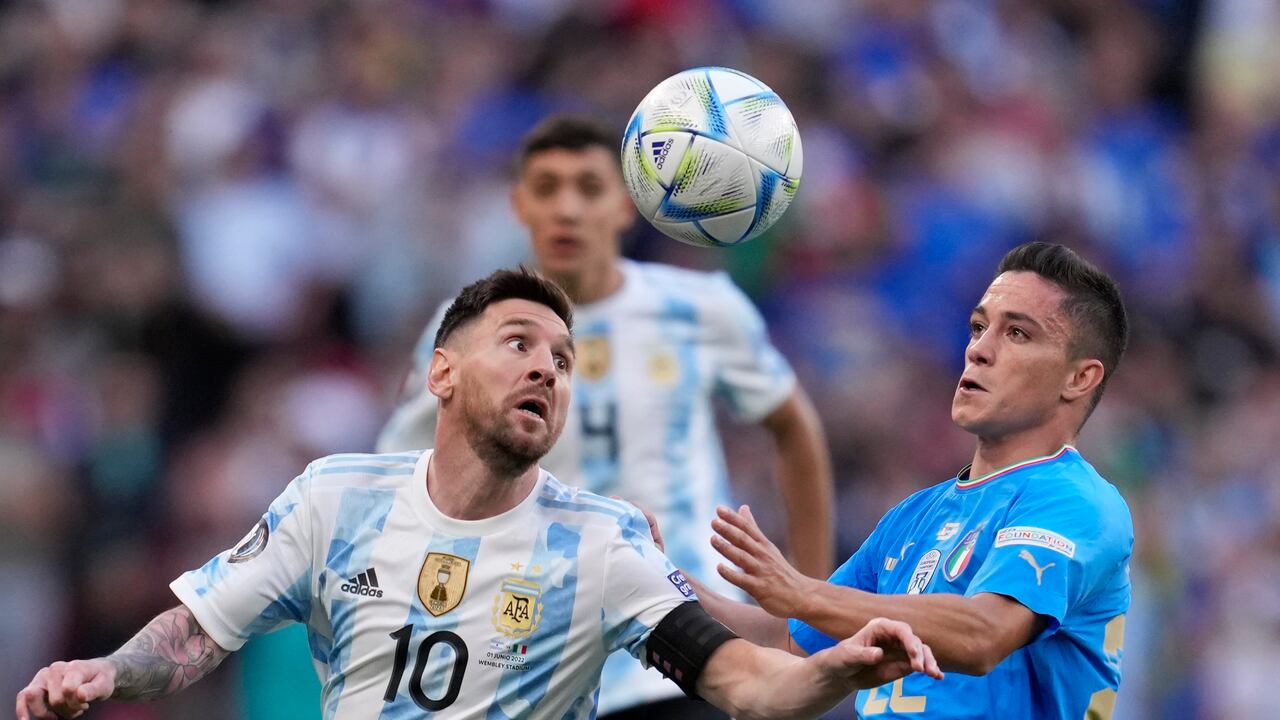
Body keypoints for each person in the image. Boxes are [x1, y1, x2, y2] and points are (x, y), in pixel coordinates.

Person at [16, 268, 941, 720]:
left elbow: (743, 686)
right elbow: (197, 630)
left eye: (564, 361)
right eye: (520, 344)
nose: (548, 368)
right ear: (442, 374)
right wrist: (103, 674)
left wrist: (839, 669)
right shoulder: (335, 500)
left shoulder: (603, 542)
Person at [376, 114, 836, 719]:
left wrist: (810, 602)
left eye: (588, 188)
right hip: (541, 657)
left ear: (625, 205)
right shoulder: (469, 329)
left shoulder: (698, 308)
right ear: (520, 206)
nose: (567, 208)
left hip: (689, 644)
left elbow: (793, 426)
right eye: (547, 188)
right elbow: (402, 477)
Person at [682, 242, 1134, 718]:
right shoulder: (914, 515)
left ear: (1080, 378)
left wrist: (803, 592)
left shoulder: (1077, 500)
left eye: (1018, 333)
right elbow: (789, 643)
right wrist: (660, 577)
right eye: (979, 327)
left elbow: (983, 634)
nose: (979, 350)